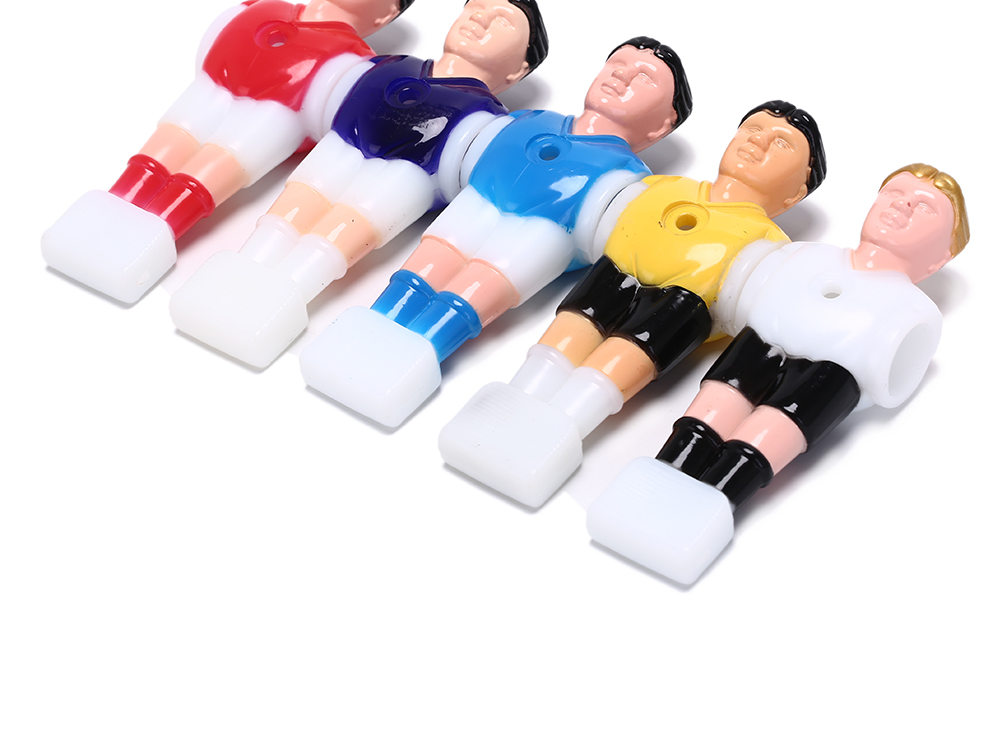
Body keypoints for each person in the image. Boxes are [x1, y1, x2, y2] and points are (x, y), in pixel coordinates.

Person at [586, 163, 969, 584]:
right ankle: (662, 475)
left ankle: (714, 502)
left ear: (940, 259)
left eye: (925, 208)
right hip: (758, 345)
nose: (902, 207)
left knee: (765, 437)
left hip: (829, 378)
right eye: (894, 194)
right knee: (709, 416)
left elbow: (884, 376)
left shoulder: (914, 310)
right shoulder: (807, 254)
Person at [438, 101, 825, 507]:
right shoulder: (664, 187)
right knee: (562, 342)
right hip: (614, 271)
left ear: (797, 193)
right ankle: (510, 405)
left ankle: (561, 429)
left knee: (615, 364)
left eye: (781, 144)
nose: (757, 143)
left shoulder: (770, 245)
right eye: (752, 129)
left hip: (683, 305)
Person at [300, 38, 693, 426]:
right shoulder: (530, 120)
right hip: (480, 199)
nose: (621, 77)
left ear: (663, 125)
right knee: (425, 267)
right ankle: (372, 327)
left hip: (544, 230)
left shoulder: (629, 177)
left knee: (475, 288)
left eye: (644, 78)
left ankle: (420, 351)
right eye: (617, 64)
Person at [168, 0, 548, 367]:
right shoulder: (389, 65)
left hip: (407, 174)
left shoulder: (486, 119)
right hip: (342, 145)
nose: (479, 21)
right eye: (475, 9)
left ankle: (285, 296)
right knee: (288, 214)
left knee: (338, 234)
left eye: (502, 22)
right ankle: (238, 275)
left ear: (519, 70)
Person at [41, 0, 414, 303]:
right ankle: (109, 210)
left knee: (212, 166)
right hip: (209, 91)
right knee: (161, 151)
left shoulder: (355, 62)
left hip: (273, 117)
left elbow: (328, 113)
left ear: (386, 14)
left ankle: (154, 230)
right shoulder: (258, 9)